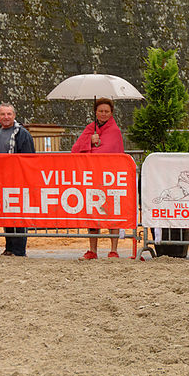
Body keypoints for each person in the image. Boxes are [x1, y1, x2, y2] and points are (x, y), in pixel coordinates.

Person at [71, 98, 125, 260]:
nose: (103, 114)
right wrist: (90, 140)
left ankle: (113, 250)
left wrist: (92, 146)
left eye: (106, 111)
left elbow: (108, 151)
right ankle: (92, 250)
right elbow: (75, 149)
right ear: (95, 112)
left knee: (112, 214)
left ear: (111, 113)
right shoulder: (90, 129)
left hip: (110, 178)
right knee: (93, 215)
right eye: (100, 111)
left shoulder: (114, 131)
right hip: (92, 178)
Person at [0, 103, 35, 256]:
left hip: (17, 181)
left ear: (14, 115)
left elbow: (29, 159)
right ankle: (9, 248)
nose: (6, 117)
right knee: (6, 215)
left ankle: (19, 250)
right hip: (0, 181)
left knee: (18, 216)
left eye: (9, 114)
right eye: (3, 114)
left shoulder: (22, 134)